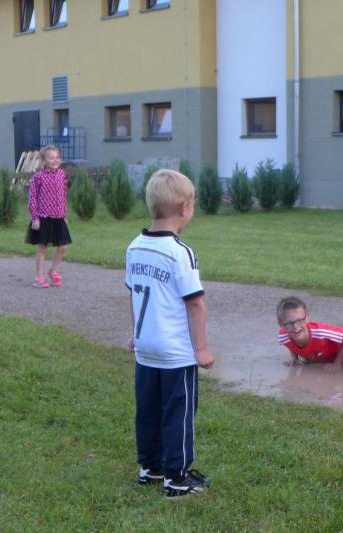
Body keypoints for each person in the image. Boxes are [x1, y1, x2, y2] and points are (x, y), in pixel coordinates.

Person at [125, 169, 215, 498]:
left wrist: (135, 333)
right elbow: (196, 304)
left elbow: (133, 294)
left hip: (145, 348)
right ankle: (177, 477)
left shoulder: (135, 246)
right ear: (185, 208)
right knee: (179, 412)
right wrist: (201, 349)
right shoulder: (180, 253)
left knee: (148, 410)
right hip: (175, 353)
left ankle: (151, 467)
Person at [25, 145, 71, 288]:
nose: (55, 160)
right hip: (43, 218)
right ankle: (39, 278)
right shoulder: (38, 177)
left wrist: (64, 215)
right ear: (43, 160)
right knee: (43, 248)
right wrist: (35, 218)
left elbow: (63, 196)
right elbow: (32, 199)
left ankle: (53, 271)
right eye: (51, 158)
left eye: (57, 157)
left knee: (63, 246)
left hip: (58, 217)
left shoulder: (62, 175)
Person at [276, 296, 343, 366]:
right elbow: (289, 344)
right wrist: (294, 358)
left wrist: (337, 363)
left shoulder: (321, 332)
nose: (295, 326)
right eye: (289, 323)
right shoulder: (283, 337)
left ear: (307, 317)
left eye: (299, 320)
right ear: (281, 325)